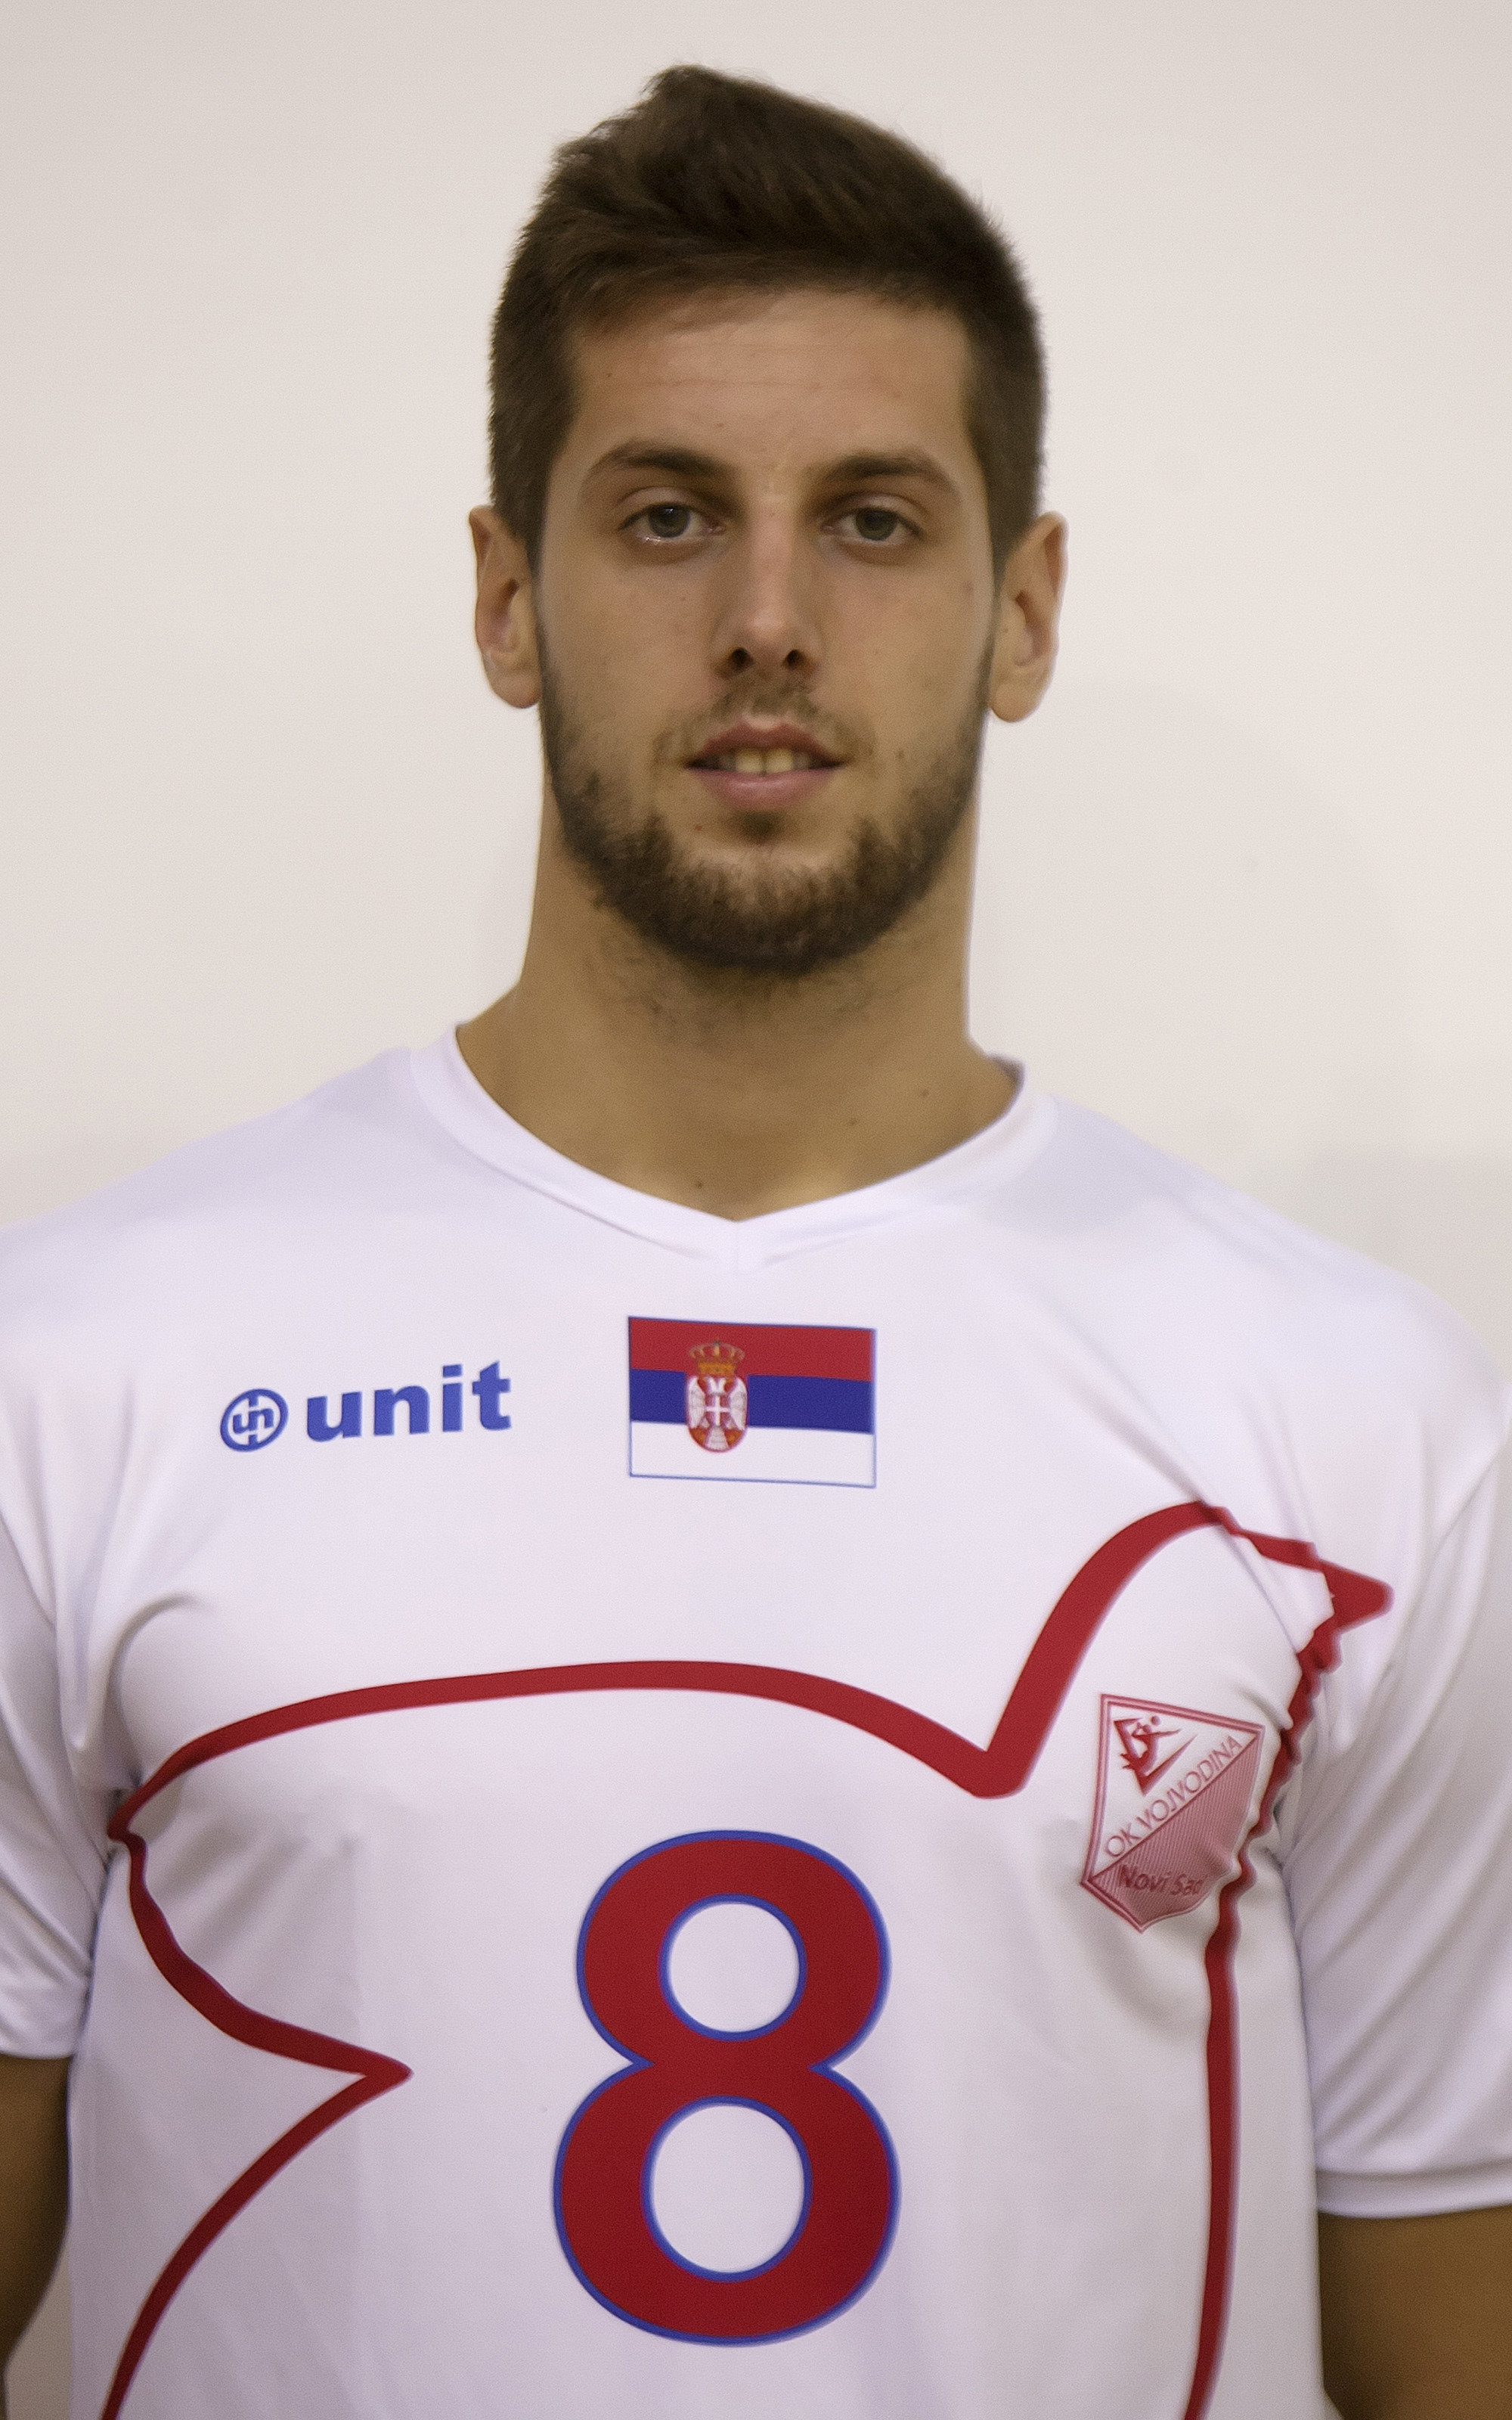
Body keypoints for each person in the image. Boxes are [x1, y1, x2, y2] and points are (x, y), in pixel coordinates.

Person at [1, 65, 1509, 2420]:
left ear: (1025, 609)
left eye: (876, 523)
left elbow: (1452, 2348)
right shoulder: (81, 1373)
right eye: (669, 515)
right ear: (507, 595)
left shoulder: (1360, 1427)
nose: (771, 621)